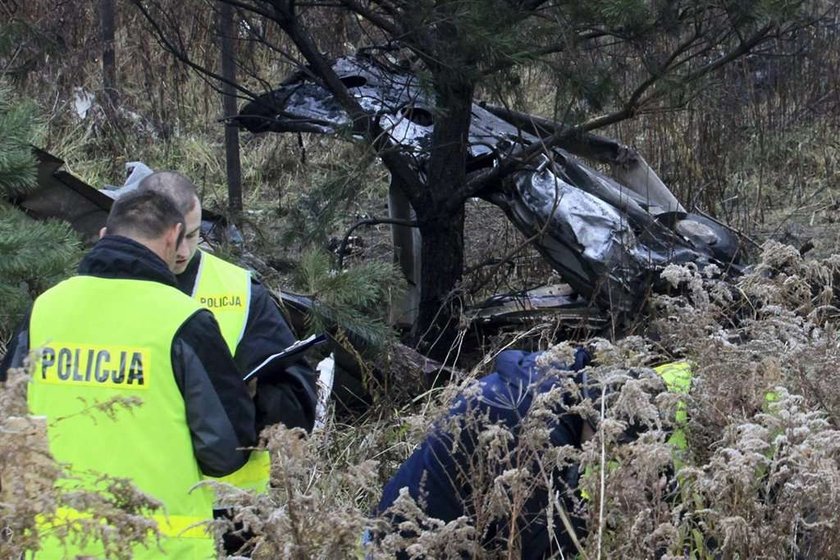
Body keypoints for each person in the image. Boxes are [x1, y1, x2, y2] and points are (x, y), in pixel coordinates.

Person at [4, 190, 257, 558]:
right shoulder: (184, 320)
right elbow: (227, 453)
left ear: (105, 236)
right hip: (160, 547)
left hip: (53, 542)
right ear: (173, 236)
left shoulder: (45, 308)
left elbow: (9, 422)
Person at [135, 171, 318, 434]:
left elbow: (297, 397)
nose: (184, 251)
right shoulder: (101, 285)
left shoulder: (240, 290)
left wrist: (247, 402)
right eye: (173, 239)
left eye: (192, 235)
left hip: (222, 470)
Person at [374, 348, 593, 560]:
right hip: (404, 548)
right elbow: (525, 547)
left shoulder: (550, 379)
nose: (604, 453)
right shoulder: (538, 428)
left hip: (410, 531)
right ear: (595, 415)